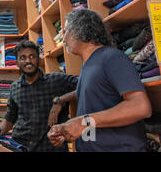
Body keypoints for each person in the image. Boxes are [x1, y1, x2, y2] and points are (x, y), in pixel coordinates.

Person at [48, 9, 152, 151]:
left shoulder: (111, 58)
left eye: (65, 31)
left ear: (80, 30)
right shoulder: (88, 65)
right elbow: (95, 113)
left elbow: (140, 107)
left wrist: (83, 122)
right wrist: (67, 129)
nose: (63, 38)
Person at [0, 40, 78, 151]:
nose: (28, 61)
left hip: (50, 147)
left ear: (39, 59)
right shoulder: (14, 87)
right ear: (17, 62)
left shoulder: (57, 80)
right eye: (23, 58)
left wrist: (60, 100)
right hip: (21, 146)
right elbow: (9, 119)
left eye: (32, 56)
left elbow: (85, 85)